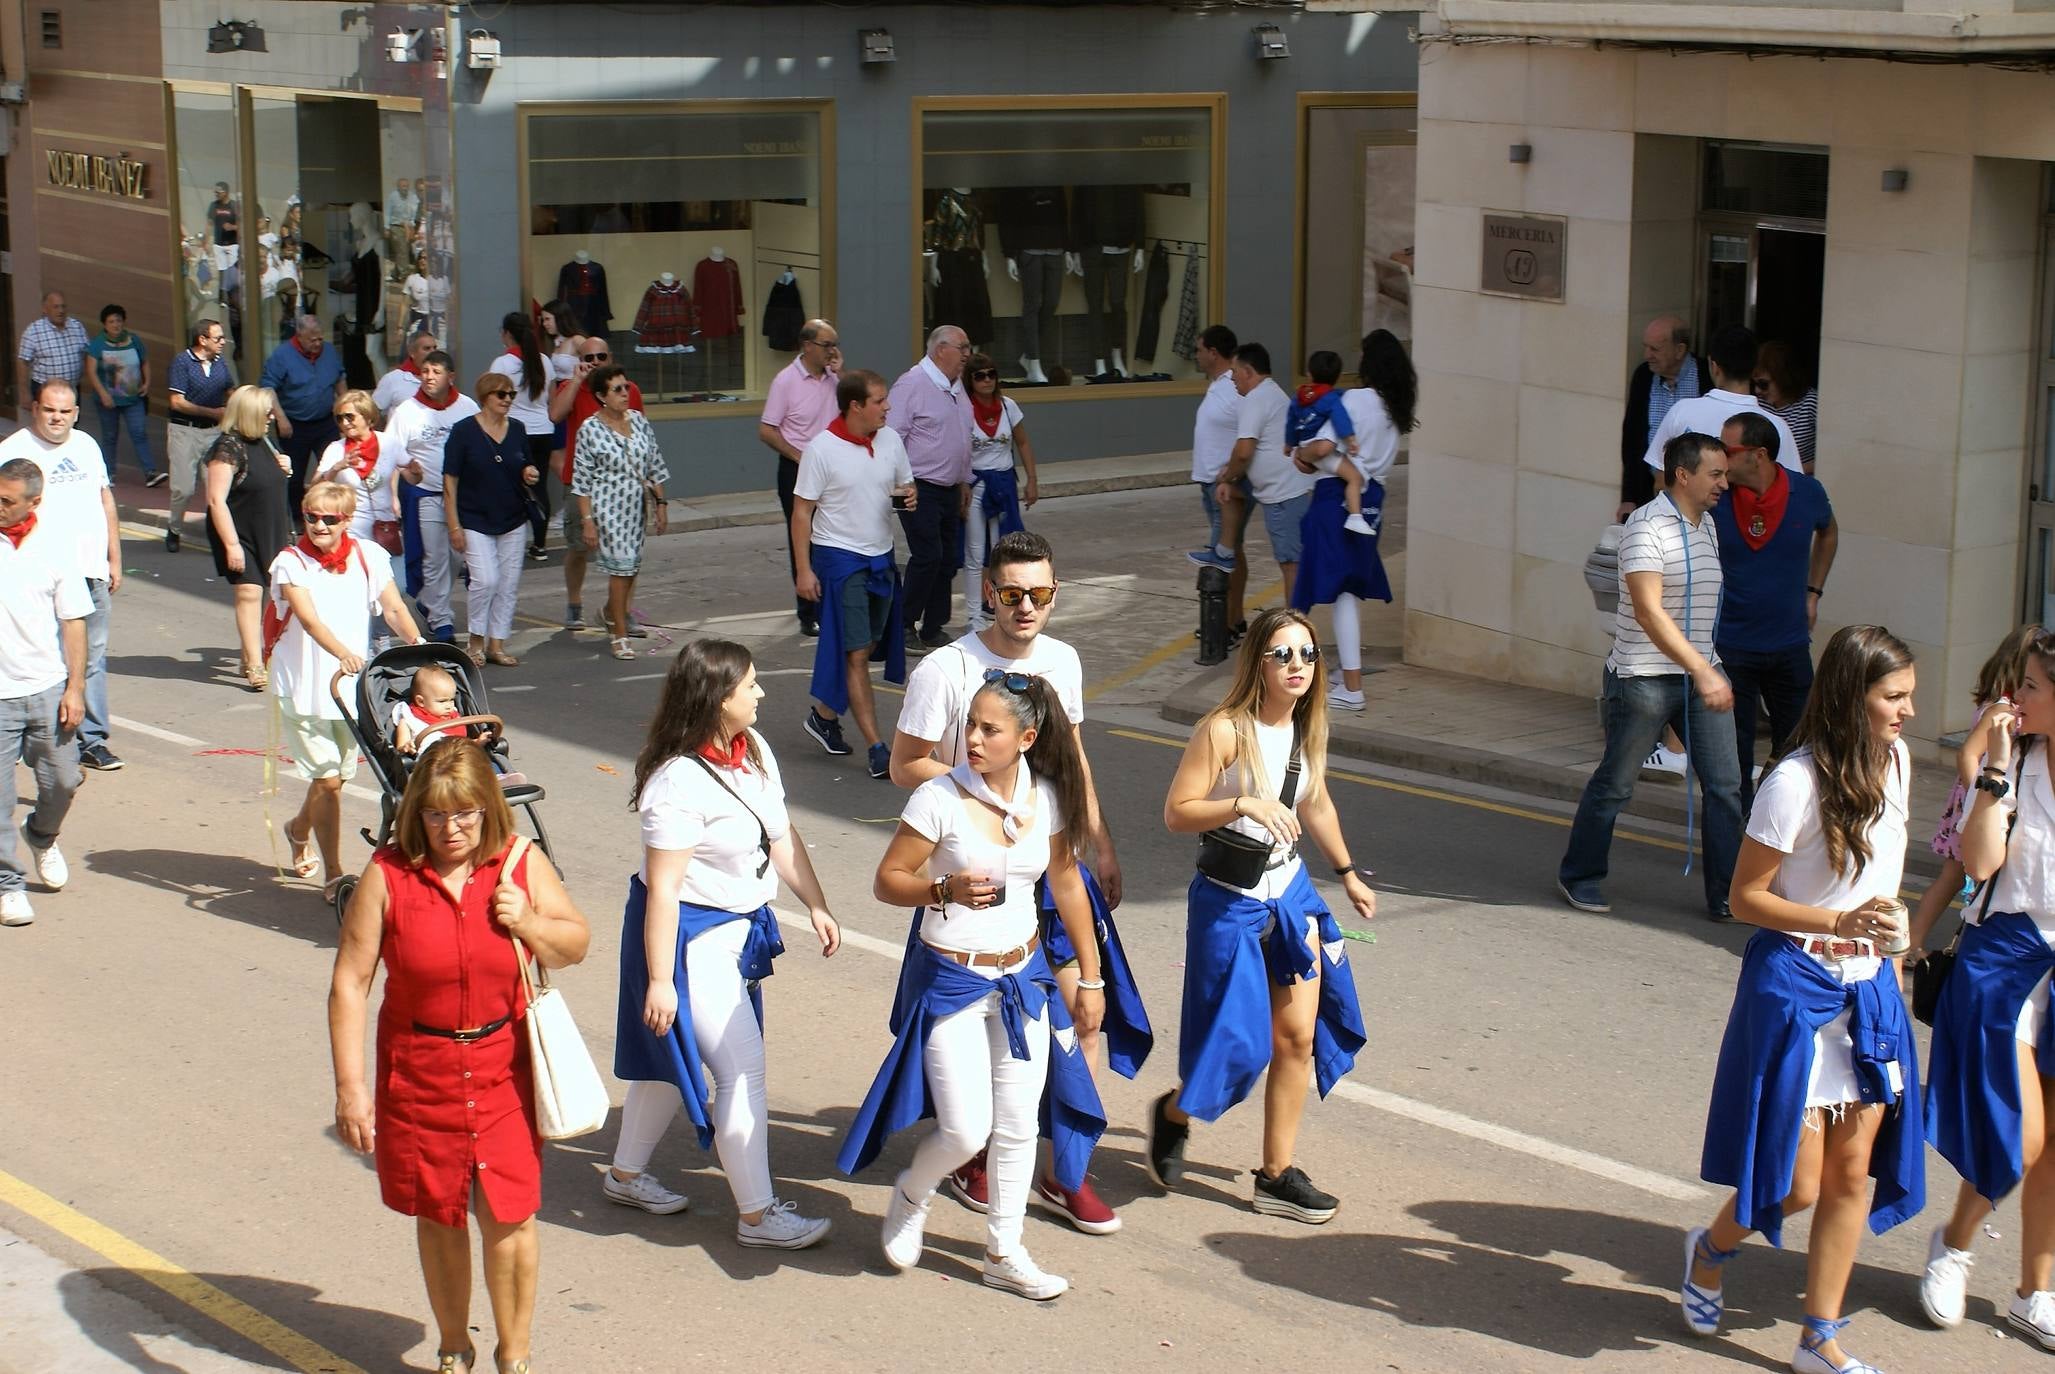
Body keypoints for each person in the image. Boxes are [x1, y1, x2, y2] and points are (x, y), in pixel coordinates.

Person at [1679, 625, 1922, 1374]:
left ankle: (1819, 1336)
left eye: (1909, 696)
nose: (1908, 712)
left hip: (1868, 989)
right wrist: (1835, 922)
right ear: (1854, 698)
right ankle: (1709, 1248)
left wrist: (1896, 924)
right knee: (1793, 1185)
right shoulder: (1793, 782)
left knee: (1853, 1173)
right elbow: (1744, 896)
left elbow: (1877, 884)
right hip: (1796, 987)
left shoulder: (1899, 761)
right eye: (1894, 697)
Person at [889, 530, 1144, 1233]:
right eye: (1011, 594)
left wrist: (1101, 846)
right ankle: (975, 1156)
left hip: (1051, 860)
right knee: (990, 1022)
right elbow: (904, 763)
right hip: (979, 875)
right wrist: (982, 798)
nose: (1025, 606)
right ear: (987, 595)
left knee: (1081, 1014)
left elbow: (1075, 761)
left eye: (1039, 593)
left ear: (1054, 595)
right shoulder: (946, 669)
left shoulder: (1062, 660)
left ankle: (1067, 1172)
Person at [839, 674, 1107, 1300]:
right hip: (953, 978)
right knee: (964, 1129)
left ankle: (1003, 1251)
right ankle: (912, 1192)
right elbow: (888, 880)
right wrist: (944, 889)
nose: (974, 739)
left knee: (1016, 1123)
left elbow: (1066, 884)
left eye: (991, 729)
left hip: (1024, 979)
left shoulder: (1047, 797)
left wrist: (1090, 979)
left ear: (1027, 738)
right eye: (971, 726)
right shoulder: (939, 796)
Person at [329, 741, 590, 1374]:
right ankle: (454, 1347)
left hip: (504, 1067)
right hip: (419, 1073)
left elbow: (575, 942)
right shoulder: (387, 876)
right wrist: (350, 1087)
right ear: (417, 813)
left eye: (467, 813)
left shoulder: (520, 864)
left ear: (488, 809)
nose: (453, 829)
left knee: (511, 1216)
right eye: (438, 816)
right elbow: (349, 982)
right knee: (439, 1214)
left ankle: (515, 1357)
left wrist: (528, 922)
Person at [605, 640, 841, 1248]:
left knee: (667, 1066)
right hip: (690, 939)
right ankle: (759, 1216)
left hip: (736, 931)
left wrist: (816, 904)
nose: (761, 694)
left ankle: (625, 1174)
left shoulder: (754, 751)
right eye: (752, 685)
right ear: (718, 699)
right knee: (741, 1071)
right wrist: (660, 980)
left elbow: (781, 836)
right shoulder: (678, 782)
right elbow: (663, 891)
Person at [1149, 607, 1373, 1222]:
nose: (1298, 665)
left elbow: (1317, 801)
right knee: (1239, 1044)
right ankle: (1172, 1115)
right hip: (1229, 901)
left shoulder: (1306, 727)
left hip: (1291, 893)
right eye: (1283, 654)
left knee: (1295, 1036)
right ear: (1259, 662)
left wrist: (1348, 873)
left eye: (1307, 653)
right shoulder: (1224, 730)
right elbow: (1177, 813)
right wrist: (1240, 801)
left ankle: (1275, 1175)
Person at [1920, 627, 2055, 1349]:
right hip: (2008, 960)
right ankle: (1954, 1241)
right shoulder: (2016, 763)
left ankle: (2036, 1290)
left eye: (2030, 686)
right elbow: (1977, 862)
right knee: (2023, 1137)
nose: (2016, 696)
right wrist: (1995, 771)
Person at [1558, 432, 1744, 922]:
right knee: (1617, 783)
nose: (1725, 483)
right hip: (1643, 677)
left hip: (1700, 671)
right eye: (1716, 474)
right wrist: (1704, 671)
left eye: (1725, 473)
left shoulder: (1707, 526)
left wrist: (1706, 668)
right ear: (1683, 475)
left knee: (1725, 786)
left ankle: (1727, 894)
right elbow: (1647, 611)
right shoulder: (1646, 527)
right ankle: (1580, 874)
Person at [271, 480, 421, 897]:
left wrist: (418, 646)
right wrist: (343, 653)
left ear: (347, 521)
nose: (319, 525)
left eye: (329, 518)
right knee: (328, 780)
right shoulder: (291, 563)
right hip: (306, 681)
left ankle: (298, 829)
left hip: (349, 687)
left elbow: (393, 607)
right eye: (311, 517)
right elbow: (310, 619)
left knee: (333, 776)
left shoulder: (368, 556)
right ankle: (334, 872)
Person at [1711, 413, 1838, 809]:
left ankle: (1777, 817)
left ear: (1758, 455)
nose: (1719, 459)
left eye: (1727, 451)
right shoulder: (1717, 498)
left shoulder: (1806, 492)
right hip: (1732, 646)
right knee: (1733, 754)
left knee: (1801, 742)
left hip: (1789, 643)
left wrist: (1813, 591)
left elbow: (1829, 531)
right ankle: (1736, 837)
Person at [793, 370, 914, 779]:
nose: (888, 407)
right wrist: (804, 570)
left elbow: (903, 488)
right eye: (879, 401)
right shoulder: (821, 450)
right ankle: (878, 748)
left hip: (881, 556)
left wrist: (909, 497)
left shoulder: (892, 440)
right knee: (857, 653)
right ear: (855, 406)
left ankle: (823, 716)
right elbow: (801, 513)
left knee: (871, 642)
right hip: (839, 560)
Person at [0, 381, 124, 771]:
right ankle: (42, 743)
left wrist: (113, 559)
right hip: (37, 576)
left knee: (91, 659)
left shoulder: (87, 446)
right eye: (50, 410)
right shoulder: (13, 450)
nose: (57, 418)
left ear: (76, 413)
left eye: (65, 411)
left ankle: (91, 739)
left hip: (88, 572)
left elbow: (105, 501)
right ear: (35, 408)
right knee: (45, 662)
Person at [1288, 330, 1412, 714]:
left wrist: (1302, 453)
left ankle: (1351, 687)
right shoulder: (1397, 408)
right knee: (1350, 588)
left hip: (1335, 497)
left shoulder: (1354, 399)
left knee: (1334, 590)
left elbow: (1323, 446)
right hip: (1373, 498)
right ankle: (1348, 674)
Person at [1907, 625, 2042, 958]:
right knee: (1957, 879)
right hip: (1979, 807)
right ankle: (1912, 942)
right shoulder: (2002, 710)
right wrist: (1977, 799)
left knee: (1961, 881)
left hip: (1984, 804)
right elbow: (1968, 753)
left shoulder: (2007, 708)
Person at [0, 457, 88, 928]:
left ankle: (43, 834)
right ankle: (7, 884)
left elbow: (72, 620)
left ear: (35, 502)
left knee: (64, 782)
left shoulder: (55, 547)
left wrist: (75, 688)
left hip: (46, 687)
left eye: (7, 501)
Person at [887, 325, 975, 650]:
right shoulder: (911, 383)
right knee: (928, 554)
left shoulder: (955, 386)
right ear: (941, 350)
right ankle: (904, 624)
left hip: (950, 487)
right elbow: (891, 437)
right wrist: (900, 486)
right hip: (917, 486)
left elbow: (963, 437)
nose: (968, 354)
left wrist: (964, 480)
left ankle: (933, 626)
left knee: (949, 558)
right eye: (962, 347)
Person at [572, 365, 668, 661]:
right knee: (621, 569)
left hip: (635, 506)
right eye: (617, 389)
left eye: (626, 387)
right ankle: (619, 634)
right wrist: (588, 521)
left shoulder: (638, 421)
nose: (625, 393)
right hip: (607, 508)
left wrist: (661, 505)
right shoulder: (589, 429)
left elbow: (654, 465)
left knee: (631, 567)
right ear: (601, 395)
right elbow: (581, 480)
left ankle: (609, 613)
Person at [549, 339, 644, 632]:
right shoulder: (574, 388)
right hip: (583, 483)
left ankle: (620, 612)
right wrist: (577, 380)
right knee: (579, 547)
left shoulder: (628, 389)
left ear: (610, 357)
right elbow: (555, 415)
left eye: (601, 356)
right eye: (588, 357)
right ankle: (574, 604)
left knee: (628, 553)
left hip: (622, 483)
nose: (595, 361)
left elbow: (638, 432)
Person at [445, 372, 539, 669]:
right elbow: (450, 481)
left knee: (508, 584)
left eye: (511, 394)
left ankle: (497, 643)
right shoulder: (463, 431)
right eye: (502, 394)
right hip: (474, 518)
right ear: (485, 397)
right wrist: (454, 525)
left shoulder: (519, 429)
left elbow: (525, 463)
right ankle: (476, 640)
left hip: (512, 517)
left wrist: (529, 472)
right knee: (485, 580)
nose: (508, 400)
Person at [1208, 344, 1315, 604]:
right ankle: (1223, 551)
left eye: (1234, 372)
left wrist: (1226, 477)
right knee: (1230, 494)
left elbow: (1244, 451)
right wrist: (1230, 480)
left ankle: (1295, 632)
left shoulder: (1255, 399)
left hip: (1285, 495)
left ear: (1247, 371)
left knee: (1292, 566)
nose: (1231, 378)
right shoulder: (1272, 393)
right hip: (1283, 491)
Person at [387, 352, 480, 643]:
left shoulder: (467, 407)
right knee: (434, 558)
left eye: (436, 371)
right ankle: (441, 621)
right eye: (424, 371)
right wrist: (394, 495)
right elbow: (391, 453)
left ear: (451, 376)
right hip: (425, 494)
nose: (428, 376)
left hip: (463, 497)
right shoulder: (406, 411)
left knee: (456, 557)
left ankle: (429, 601)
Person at [205, 386, 294, 691]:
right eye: (266, 411)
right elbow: (216, 500)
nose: (272, 416)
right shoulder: (228, 448)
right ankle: (255, 665)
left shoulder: (265, 442)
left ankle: (249, 652)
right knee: (250, 594)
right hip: (239, 532)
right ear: (250, 413)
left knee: (271, 596)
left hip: (269, 529)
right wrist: (231, 544)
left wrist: (286, 468)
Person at [758, 318, 841, 637]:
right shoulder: (786, 381)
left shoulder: (835, 379)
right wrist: (799, 456)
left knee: (833, 535)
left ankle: (831, 604)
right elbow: (766, 429)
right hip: (798, 466)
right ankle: (809, 612)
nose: (832, 351)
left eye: (835, 344)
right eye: (826, 345)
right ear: (807, 346)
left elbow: (853, 406)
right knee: (804, 538)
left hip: (833, 467)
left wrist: (840, 372)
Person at [1642, 324, 1799, 483]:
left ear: (1714, 366)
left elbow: (1661, 478)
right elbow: (1793, 486)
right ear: (1753, 369)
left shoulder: (1681, 412)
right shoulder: (1778, 426)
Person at [960, 353, 1039, 632]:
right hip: (975, 486)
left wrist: (1032, 479)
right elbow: (957, 451)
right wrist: (960, 485)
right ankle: (973, 615)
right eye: (979, 375)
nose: (987, 380)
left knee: (1002, 551)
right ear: (970, 380)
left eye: (991, 374)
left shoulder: (1008, 407)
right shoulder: (962, 409)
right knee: (973, 552)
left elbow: (1024, 443)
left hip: (1004, 485)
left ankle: (999, 606)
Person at [1185, 324, 1249, 638]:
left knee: (1220, 554)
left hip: (1222, 486)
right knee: (1232, 550)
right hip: (1212, 484)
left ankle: (1220, 625)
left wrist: (1231, 473)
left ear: (1213, 352)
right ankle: (1233, 619)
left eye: (1199, 349)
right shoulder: (1219, 384)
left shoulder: (1233, 387)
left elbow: (1248, 433)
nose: (1196, 356)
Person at [1617, 315, 1709, 520]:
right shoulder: (1643, 376)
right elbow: (1631, 441)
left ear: (1680, 350)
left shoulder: (1705, 375)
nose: (1647, 354)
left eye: (1655, 349)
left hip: (1695, 495)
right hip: (1649, 493)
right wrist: (1629, 496)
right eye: (1646, 347)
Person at [258, 315, 347, 517]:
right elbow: (268, 388)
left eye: (319, 339)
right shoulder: (282, 355)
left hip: (325, 422)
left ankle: (332, 510)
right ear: (299, 336)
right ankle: (296, 518)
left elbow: (340, 379)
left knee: (334, 468)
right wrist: (281, 419)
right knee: (294, 476)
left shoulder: (329, 351)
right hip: (294, 424)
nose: (317, 344)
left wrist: (345, 411)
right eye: (311, 340)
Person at [165, 319, 237, 553]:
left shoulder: (219, 362)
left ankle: (217, 534)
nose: (223, 342)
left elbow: (229, 390)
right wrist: (213, 412)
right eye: (218, 338)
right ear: (202, 340)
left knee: (217, 488)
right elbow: (177, 402)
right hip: (184, 432)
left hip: (213, 433)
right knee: (183, 488)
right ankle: (174, 529)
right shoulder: (182, 362)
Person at [489, 312, 555, 562]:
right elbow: (551, 398)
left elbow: (492, 398)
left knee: (508, 485)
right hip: (543, 431)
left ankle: (508, 541)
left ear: (506, 333)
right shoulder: (545, 362)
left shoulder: (502, 364)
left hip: (514, 431)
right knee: (539, 486)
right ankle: (540, 544)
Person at [1283, 351, 1370, 536]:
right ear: (1338, 376)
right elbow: (1341, 419)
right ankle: (1355, 516)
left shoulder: (1298, 397)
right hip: (1323, 450)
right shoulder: (1332, 399)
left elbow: (1290, 422)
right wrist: (1351, 439)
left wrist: (1289, 444)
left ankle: (1350, 502)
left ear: (1309, 373)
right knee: (1355, 478)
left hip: (1305, 444)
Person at [83, 304, 159, 486]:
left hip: (133, 398)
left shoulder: (134, 340)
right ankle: (108, 473)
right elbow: (91, 371)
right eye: (111, 321)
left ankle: (150, 472)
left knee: (139, 433)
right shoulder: (98, 344)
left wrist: (147, 383)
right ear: (104, 324)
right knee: (110, 436)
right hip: (108, 400)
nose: (115, 324)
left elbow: (145, 362)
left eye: (118, 320)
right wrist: (103, 394)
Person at [1752, 340, 1819, 474]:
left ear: (1783, 377)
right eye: (1754, 384)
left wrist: (1797, 470)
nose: (1757, 391)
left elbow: (1830, 454)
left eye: (1763, 384)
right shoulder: (1759, 404)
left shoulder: (1811, 403)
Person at [15, 292, 88, 413]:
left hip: (72, 389)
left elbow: (87, 354)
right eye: (56, 307)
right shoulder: (33, 331)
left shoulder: (77, 326)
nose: (61, 310)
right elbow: (23, 361)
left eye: (63, 306)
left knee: (72, 425)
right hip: (45, 391)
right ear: (45, 309)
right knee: (47, 427)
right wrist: (24, 392)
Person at [393, 665, 473, 757]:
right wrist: (406, 746)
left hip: (460, 758)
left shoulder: (453, 715)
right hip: (431, 764)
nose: (449, 706)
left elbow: (462, 744)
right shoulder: (409, 719)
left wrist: (476, 742)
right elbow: (400, 748)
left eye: (452, 699)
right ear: (421, 701)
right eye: (442, 701)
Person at [373, 329, 434, 417]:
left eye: (435, 348)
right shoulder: (392, 379)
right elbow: (373, 413)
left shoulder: (442, 379)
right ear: (412, 353)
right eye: (427, 348)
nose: (433, 352)